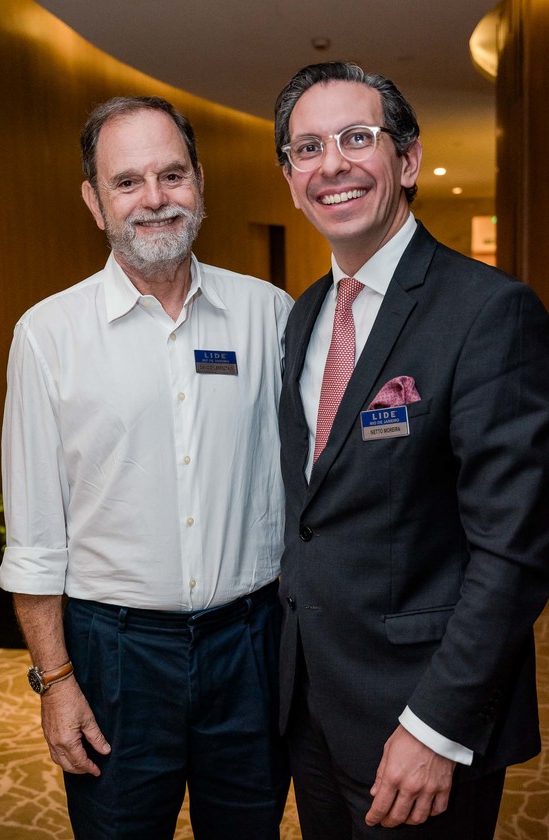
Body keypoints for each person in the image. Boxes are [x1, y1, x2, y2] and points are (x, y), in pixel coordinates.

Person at [0, 95, 292, 840]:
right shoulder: (48, 335)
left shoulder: (270, 316)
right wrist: (56, 683)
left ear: (201, 184)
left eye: (172, 175)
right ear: (95, 203)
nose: (154, 199)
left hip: (252, 646)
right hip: (114, 656)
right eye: (127, 182)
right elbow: (34, 537)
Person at [274, 61, 549, 839]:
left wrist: (434, 727)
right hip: (312, 707)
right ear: (291, 178)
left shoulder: (488, 312)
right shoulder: (304, 317)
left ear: (406, 158)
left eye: (356, 138)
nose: (331, 164)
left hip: (418, 719)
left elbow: (515, 551)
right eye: (306, 148)